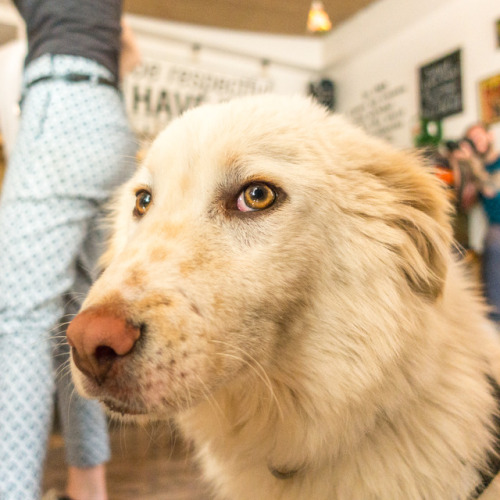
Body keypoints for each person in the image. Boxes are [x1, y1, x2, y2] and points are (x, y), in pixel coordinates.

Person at [0, 1, 140, 499]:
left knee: (19, 320)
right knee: (80, 317)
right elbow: (128, 48)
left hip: (58, 110)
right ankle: (89, 485)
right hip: (110, 121)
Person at [460, 123, 500, 325]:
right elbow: (466, 203)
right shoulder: (476, 169)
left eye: (479, 136)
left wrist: (475, 166)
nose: (477, 142)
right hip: (496, 225)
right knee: (493, 243)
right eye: (472, 140)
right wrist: (465, 169)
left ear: (490, 136)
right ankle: (494, 317)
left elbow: (492, 188)